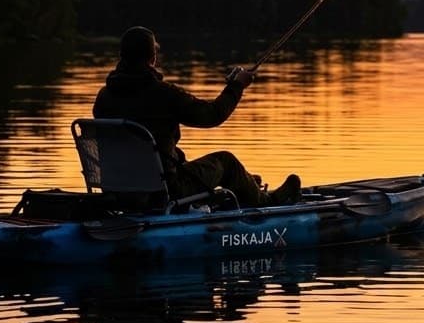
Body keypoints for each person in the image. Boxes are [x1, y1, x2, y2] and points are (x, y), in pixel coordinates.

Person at [93, 26, 301, 208]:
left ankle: (244, 184)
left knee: (189, 163)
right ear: (152, 58)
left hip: (118, 191)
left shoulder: (103, 97)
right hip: (163, 191)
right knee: (227, 162)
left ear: (122, 56)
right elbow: (212, 115)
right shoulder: (163, 94)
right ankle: (267, 203)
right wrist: (236, 86)